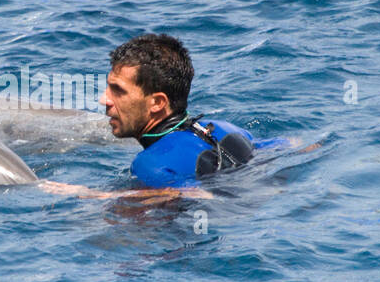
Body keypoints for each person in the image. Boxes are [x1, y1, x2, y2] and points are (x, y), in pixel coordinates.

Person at [39, 33, 301, 201]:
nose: (104, 100)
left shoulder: (149, 165)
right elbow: (295, 145)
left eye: (118, 91)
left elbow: (196, 196)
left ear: (157, 103)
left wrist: (92, 195)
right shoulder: (227, 129)